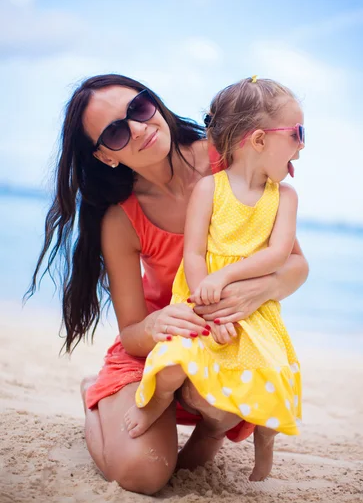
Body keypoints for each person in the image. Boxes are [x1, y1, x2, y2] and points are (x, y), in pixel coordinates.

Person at [27, 74, 309, 495]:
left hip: (221, 339)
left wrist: (259, 290)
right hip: (160, 351)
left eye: (138, 108)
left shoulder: (226, 159)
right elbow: (132, 333)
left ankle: (212, 429)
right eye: (117, 132)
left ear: (154, 103)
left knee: (220, 404)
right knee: (143, 475)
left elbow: (296, 264)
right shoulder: (121, 219)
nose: (139, 128)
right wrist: (158, 325)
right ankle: (96, 398)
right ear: (105, 155)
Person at [124, 76, 305, 481]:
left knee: (274, 372)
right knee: (173, 364)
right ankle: (157, 400)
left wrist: (227, 277)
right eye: (296, 133)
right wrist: (208, 304)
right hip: (201, 300)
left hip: (251, 308)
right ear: (258, 140)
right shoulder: (209, 188)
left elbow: (278, 255)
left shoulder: (285, 197)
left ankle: (265, 441)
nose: (302, 144)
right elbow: (193, 252)